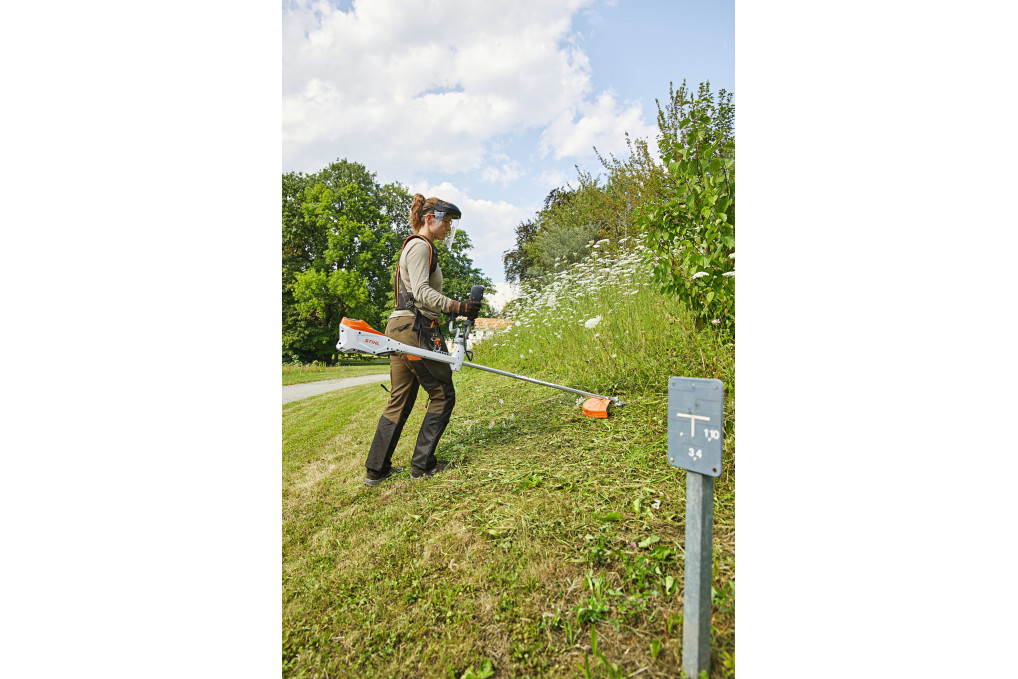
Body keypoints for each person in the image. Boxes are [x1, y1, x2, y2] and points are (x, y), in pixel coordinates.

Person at [363, 194, 481, 486]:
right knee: (442, 394)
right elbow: (422, 294)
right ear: (431, 219)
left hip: (401, 325)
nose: (449, 229)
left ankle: (375, 471)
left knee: (400, 399)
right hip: (414, 328)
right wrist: (459, 306)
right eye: (447, 222)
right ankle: (422, 466)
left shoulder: (415, 247)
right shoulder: (420, 246)